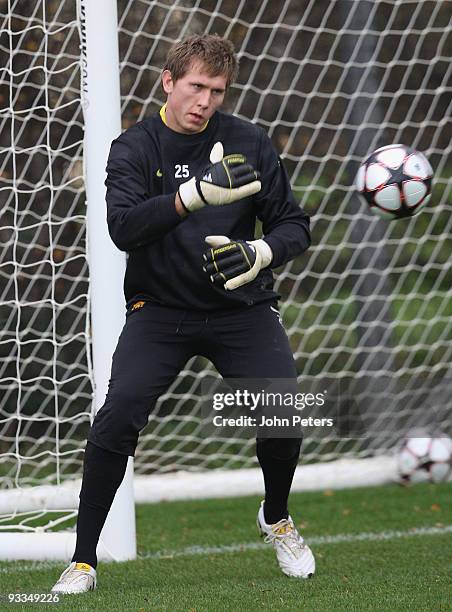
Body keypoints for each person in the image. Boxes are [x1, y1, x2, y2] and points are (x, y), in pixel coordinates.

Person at [51, 34, 314, 594]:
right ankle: (82, 560)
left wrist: (260, 253)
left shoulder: (249, 142)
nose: (205, 101)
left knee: (285, 411)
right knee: (118, 414)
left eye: (217, 91)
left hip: (241, 307)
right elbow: (123, 228)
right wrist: (193, 196)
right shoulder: (134, 147)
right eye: (195, 86)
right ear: (168, 82)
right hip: (159, 309)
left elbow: (294, 224)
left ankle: (277, 515)